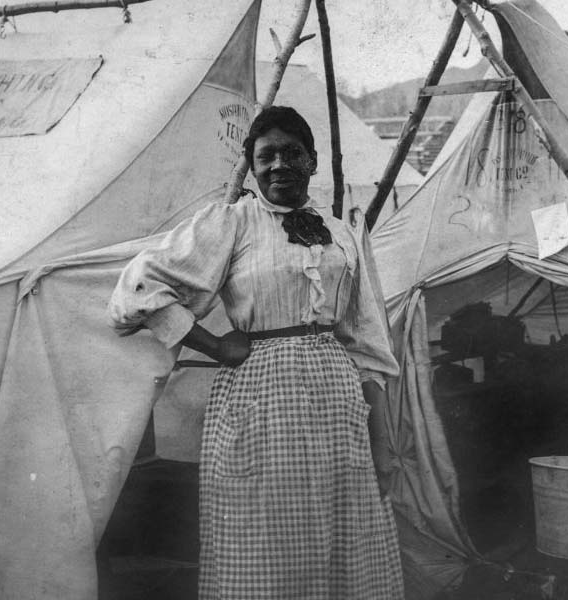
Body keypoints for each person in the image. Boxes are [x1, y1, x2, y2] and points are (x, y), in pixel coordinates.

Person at [108, 106, 403, 599]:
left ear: (312, 161)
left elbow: (368, 342)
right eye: (266, 156)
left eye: (292, 153)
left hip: (336, 405)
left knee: (341, 533)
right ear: (252, 166)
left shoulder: (343, 233)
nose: (279, 165)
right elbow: (137, 288)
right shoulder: (232, 224)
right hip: (261, 401)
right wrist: (214, 343)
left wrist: (382, 440)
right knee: (269, 537)